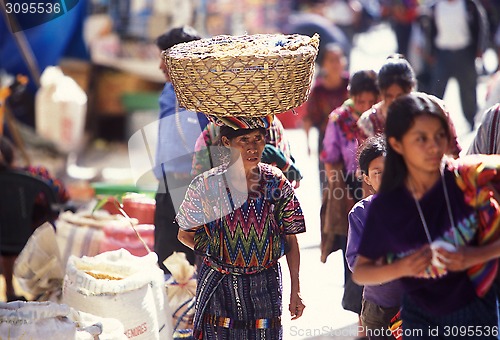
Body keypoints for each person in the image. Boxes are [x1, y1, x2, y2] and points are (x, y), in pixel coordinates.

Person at [352, 92, 500, 337]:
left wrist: (474, 256)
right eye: (421, 138)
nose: (433, 146)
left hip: (475, 310)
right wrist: (403, 266)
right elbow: (362, 272)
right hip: (420, 316)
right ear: (398, 144)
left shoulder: (470, 177)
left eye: (439, 135)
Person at [176, 122, 306, 339]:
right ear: (226, 143)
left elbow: (291, 239)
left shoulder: (276, 183)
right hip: (219, 286)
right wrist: (221, 251)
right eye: (243, 140)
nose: (252, 148)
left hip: (265, 286)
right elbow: (185, 234)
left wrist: (296, 290)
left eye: (258, 138)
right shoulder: (206, 185)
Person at [319, 70, 379, 333]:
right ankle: (362, 318)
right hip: (350, 188)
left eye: (370, 100)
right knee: (354, 252)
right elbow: (331, 158)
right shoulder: (338, 119)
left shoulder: (380, 117)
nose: (365, 106)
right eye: (361, 100)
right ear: (352, 97)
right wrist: (341, 193)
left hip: (380, 184)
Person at [153, 26, 209, 273]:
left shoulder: (209, 92)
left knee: (196, 259)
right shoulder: (167, 91)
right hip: (167, 184)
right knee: (166, 260)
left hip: (196, 187)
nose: (160, 66)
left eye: (164, 57)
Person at [346, 135, 404, 338]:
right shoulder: (360, 213)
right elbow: (354, 261)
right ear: (367, 179)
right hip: (378, 308)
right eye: (378, 172)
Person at [0, 136, 69, 302]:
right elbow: (63, 195)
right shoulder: (36, 174)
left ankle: (9, 289)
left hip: (4, 241)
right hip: (35, 239)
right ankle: (45, 289)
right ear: (13, 156)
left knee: (7, 232)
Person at [357, 54, 462, 157]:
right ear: (381, 93)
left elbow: (453, 153)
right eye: (389, 96)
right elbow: (366, 166)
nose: (395, 101)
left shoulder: (434, 109)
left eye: (400, 96)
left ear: (411, 89)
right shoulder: (369, 123)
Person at [423, 0, 488, 130]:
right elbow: (429, 30)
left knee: (468, 90)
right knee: (436, 90)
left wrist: (480, 48)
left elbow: (480, 26)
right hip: (442, 54)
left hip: (465, 53)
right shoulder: (436, 7)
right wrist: (430, 52)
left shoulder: (469, 5)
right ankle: (432, 120)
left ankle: (471, 121)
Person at [303, 43, 349, 188]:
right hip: (326, 141)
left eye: (338, 59)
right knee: (328, 185)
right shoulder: (318, 90)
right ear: (323, 64)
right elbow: (309, 118)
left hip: (350, 139)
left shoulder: (350, 84)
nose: (335, 64)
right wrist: (308, 144)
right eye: (331, 60)